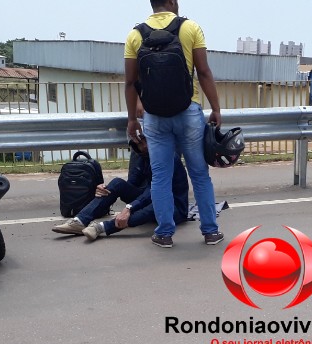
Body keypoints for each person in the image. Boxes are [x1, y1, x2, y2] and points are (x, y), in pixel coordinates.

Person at [124, 0, 224, 248]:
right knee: (199, 174)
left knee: (161, 177)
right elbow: (204, 72)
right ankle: (210, 231)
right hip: (188, 112)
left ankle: (164, 233)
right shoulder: (190, 28)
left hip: (154, 116)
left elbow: (130, 82)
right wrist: (216, 108)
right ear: (171, 2)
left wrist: (132, 119)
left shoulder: (135, 35)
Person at [52, 136, 190, 239]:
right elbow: (132, 184)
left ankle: (102, 227)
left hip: (173, 206)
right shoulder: (141, 155)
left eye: (146, 141)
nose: (144, 146)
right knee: (117, 183)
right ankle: (80, 221)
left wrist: (130, 207)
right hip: (150, 197)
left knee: (157, 204)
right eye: (139, 143)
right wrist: (104, 188)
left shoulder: (167, 157)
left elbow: (154, 190)